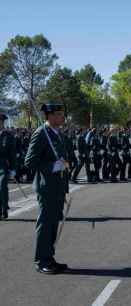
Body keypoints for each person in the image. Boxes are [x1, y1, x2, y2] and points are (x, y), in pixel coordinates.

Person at [24, 103, 69, 274]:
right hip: (46, 186)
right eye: (58, 114)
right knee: (45, 223)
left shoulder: (56, 134)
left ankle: (49, 258)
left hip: (57, 186)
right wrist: (52, 166)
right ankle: (42, 260)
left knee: (53, 224)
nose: (61, 117)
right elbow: (30, 161)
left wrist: (63, 165)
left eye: (61, 113)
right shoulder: (41, 134)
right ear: (49, 116)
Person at [0, 114, 17, 220]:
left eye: (0, 121)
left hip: (3, 165)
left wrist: (13, 168)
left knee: (2, 187)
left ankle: (4, 209)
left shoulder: (8, 136)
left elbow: (12, 153)